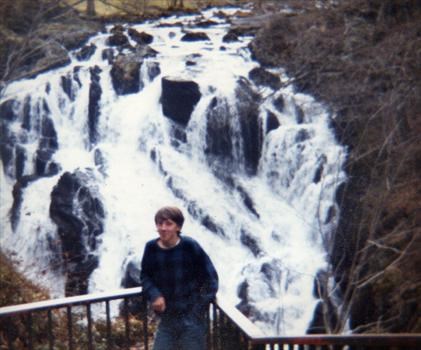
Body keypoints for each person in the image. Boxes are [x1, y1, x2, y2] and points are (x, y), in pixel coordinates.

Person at [140, 206, 219, 350]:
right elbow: (145, 275)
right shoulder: (151, 247)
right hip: (167, 319)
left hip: (191, 318)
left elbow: (211, 278)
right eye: (159, 223)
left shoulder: (190, 246)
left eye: (168, 224)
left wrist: (199, 308)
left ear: (178, 227)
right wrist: (154, 295)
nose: (163, 228)